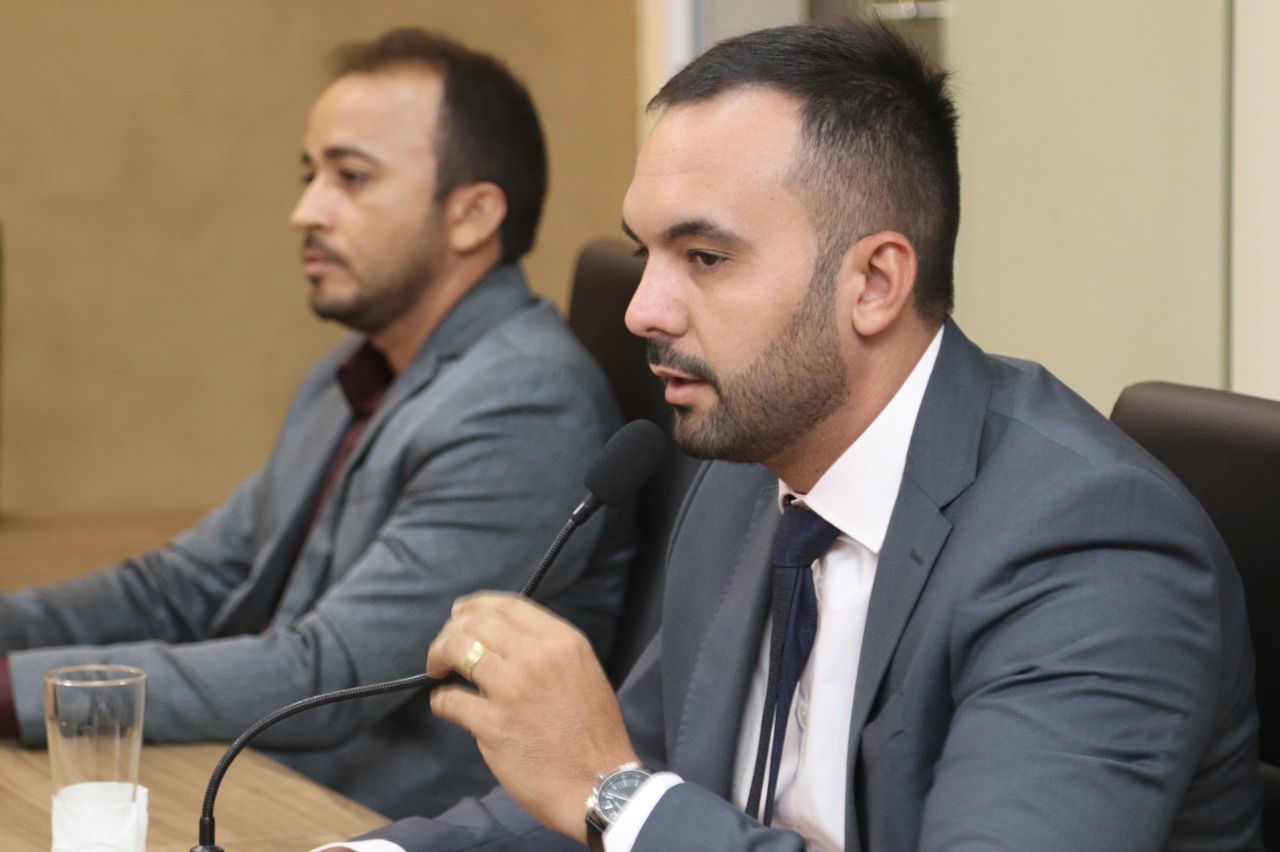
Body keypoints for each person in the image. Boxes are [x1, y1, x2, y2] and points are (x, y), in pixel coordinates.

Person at [326, 19, 1263, 852]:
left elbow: (615, 790)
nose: (645, 308)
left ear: (875, 283)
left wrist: (612, 792)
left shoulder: (1091, 547)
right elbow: (610, 776)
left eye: (705, 257)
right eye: (647, 252)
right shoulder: (750, 469)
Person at [0, 28, 633, 821]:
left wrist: (14, 692)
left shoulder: (525, 401)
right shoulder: (357, 373)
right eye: (311, 176)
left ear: (472, 215)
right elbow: (183, 586)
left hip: (370, 823)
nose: (304, 211)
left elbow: (327, 676)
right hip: (261, 785)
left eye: (351, 177)